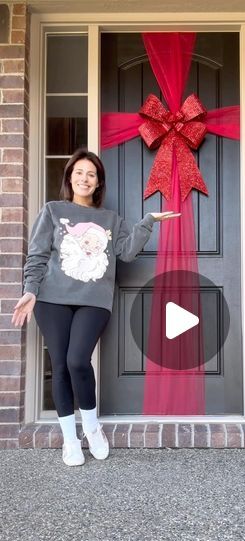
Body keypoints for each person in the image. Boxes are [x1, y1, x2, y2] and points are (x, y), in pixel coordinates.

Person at [11, 148, 180, 467]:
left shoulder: (110, 220)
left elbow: (127, 254)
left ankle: (92, 427)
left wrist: (147, 222)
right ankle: (70, 440)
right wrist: (30, 291)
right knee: (59, 366)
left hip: (94, 300)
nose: (84, 178)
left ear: (98, 182)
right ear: (69, 178)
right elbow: (37, 256)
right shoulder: (52, 210)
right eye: (79, 173)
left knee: (77, 361)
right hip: (51, 299)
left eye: (91, 174)